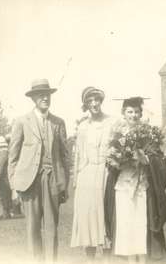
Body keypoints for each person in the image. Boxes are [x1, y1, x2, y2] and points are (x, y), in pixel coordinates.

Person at [8, 79, 69, 262]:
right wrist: (13, 187)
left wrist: (64, 184)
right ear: (33, 98)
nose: (45, 98)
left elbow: (65, 157)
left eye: (47, 95)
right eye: (41, 95)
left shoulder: (58, 122)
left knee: (51, 228)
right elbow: (13, 157)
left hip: (53, 180)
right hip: (29, 181)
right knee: (32, 228)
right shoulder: (21, 121)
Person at [105, 97, 166, 264]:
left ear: (141, 114)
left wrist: (144, 158)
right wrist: (116, 160)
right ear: (123, 113)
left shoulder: (148, 133)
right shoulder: (117, 134)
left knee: (140, 224)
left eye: (136, 112)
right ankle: (129, 260)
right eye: (130, 112)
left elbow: (156, 157)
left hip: (142, 186)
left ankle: (142, 260)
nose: (133, 115)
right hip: (123, 186)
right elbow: (111, 160)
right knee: (126, 224)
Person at [71, 87, 114, 261]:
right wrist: (76, 177)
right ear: (86, 105)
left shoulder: (112, 122)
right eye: (90, 101)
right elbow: (79, 155)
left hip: (105, 172)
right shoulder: (82, 127)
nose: (94, 104)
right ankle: (89, 258)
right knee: (87, 214)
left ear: (101, 101)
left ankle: (107, 257)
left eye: (96, 100)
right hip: (87, 174)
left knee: (104, 213)